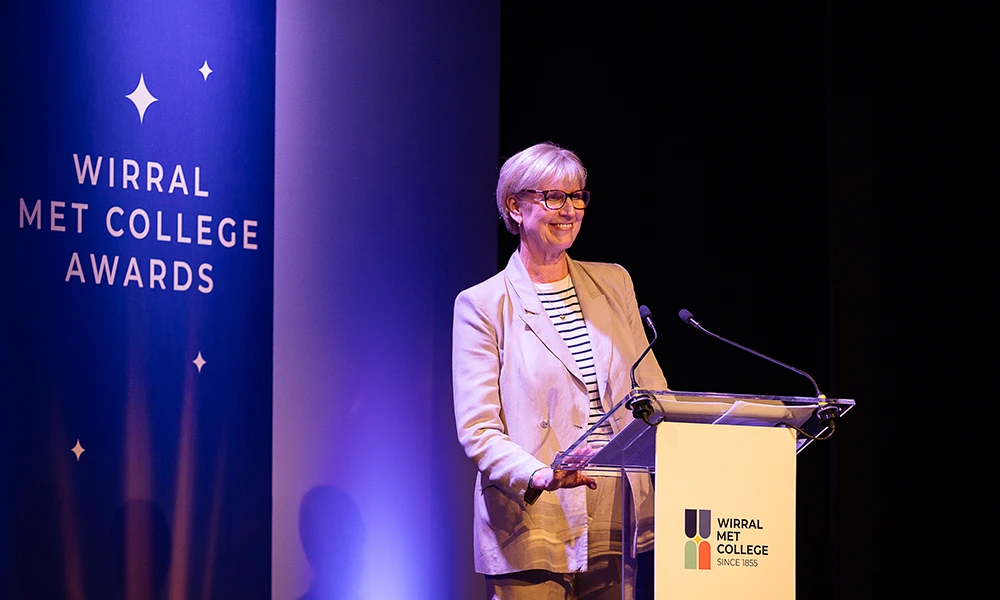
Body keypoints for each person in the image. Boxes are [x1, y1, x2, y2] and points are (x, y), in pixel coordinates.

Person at [452, 141, 668, 599]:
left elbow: (650, 394)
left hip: (614, 509)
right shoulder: (483, 305)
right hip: (533, 513)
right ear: (515, 206)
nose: (569, 210)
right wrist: (539, 475)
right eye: (553, 197)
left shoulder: (613, 283)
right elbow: (478, 429)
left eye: (577, 197)